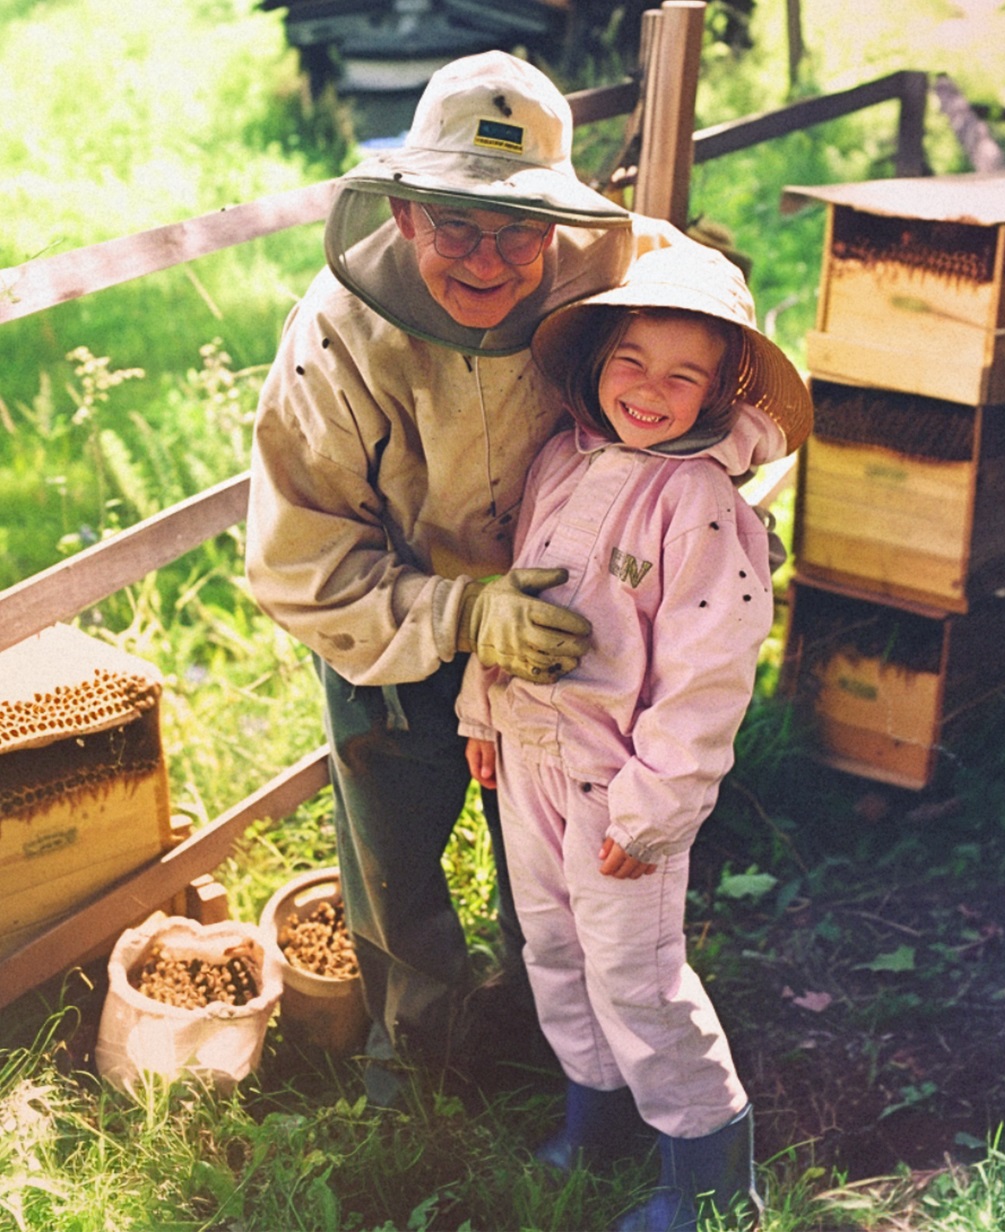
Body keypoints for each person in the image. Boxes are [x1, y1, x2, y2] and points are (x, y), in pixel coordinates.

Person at [244, 50, 695, 1085]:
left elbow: (711, 325)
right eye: (456, 224)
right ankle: (420, 1055)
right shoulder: (336, 336)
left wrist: (709, 486)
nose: (487, 258)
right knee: (395, 859)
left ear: (559, 226)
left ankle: (568, 1038)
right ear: (404, 215)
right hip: (391, 628)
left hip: (562, 623)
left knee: (552, 839)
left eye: (518, 229)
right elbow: (296, 556)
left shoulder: (615, 274)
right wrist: (458, 611)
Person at [455, 244, 813, 1229]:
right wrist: (483, 709)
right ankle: (597, 1115)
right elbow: (515, 589)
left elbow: (706, 674)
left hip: (620, 787)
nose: (650, 389)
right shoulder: (563, 457)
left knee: (636, 971)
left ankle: (711, 1172)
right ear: (601, 355)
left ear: (720, 389)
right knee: (553, 945)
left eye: (682, 374)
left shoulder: (698, 503)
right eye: (633, 360)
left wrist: (655, 806)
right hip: (530, 756)